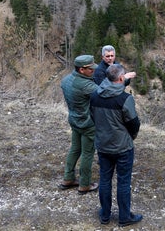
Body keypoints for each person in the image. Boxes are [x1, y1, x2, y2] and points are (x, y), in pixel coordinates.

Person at [90, 64, 143, 227]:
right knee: (123, 182)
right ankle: (124, 217)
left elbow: (93, 117)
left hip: (103, 145)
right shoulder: (125, 99)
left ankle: (105, 215)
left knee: (105, 180)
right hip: (123, 147)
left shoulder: (94, 96)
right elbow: (134, 124)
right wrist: (131, 137)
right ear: (121, 79)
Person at [59, 54, 100, 194]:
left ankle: (68, 178)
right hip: (88, 123)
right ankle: (84, 184)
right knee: (87, 153)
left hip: (74, 120)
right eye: (90, 69)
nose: (93, 71)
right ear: (82, 70)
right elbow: (104, 93)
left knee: (75, 149)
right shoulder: (86, 85)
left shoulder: (65, 81)